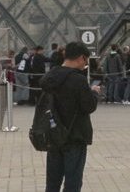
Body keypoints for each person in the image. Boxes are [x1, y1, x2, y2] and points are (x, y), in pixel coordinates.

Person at [41, 42, 101, 191]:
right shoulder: (78, 80)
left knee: (52, 181)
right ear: (81, 58)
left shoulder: (50, 77)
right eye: (86, 60)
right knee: (73, 182)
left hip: (54, 134)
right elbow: (89, 106)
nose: (86, 64)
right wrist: (94, 92)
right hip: (75, 135)